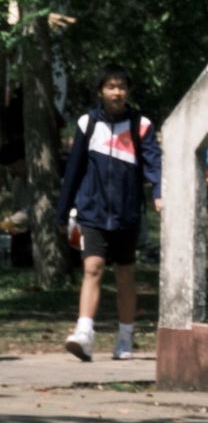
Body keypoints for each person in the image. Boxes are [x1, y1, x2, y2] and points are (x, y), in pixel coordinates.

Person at [58, 67, 161, 363]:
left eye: (121, 87)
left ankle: (125, 337)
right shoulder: (87, 123)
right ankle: (84, 334)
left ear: (128, 91)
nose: (116, 92)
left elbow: (154, 162)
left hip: (127, 213)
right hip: (92, 211)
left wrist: (158, 192)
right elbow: (74, 169)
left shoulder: (140, 125)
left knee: (125, 274)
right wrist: (63, 211)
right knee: (93, 267)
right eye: (111, 87)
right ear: (101, 90)